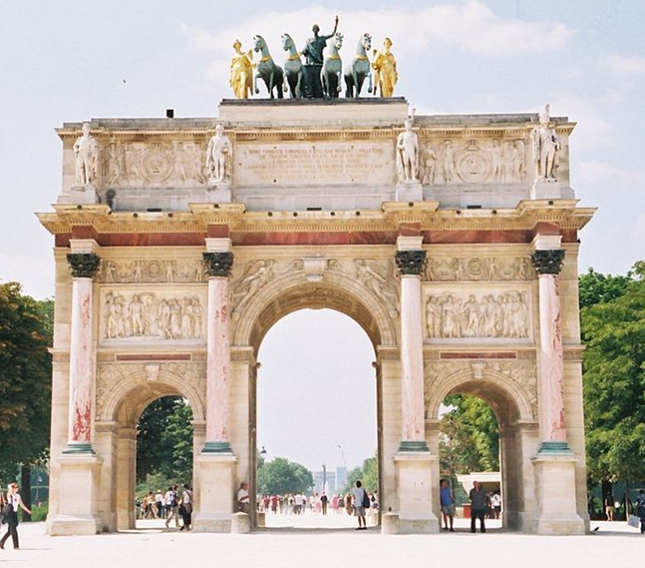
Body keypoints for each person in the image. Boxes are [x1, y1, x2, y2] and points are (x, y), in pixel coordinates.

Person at [301, 16, 339, 98]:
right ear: (312, 30)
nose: (315, 30)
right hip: (310, 64)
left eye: (316, 29)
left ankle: (323, 93)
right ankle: (309, 94)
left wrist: (336, 24)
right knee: (309, 81)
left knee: (319, 81)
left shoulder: (322, 39)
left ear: (318, 30)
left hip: (319, 63)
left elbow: (332, 34)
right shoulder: (309, 41)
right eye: (314, 29)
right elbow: (305, 48)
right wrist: (304, 51)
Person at [0, 483, 31, 550]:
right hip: (9, 513)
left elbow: (21, 504)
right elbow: (9, 487)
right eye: (15, 487)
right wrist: (11, 486)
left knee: (11, 529)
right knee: (13, 528)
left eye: (17, 487)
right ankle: (16, 545)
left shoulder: (18, 496)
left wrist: (27, 510)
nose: (17, 489)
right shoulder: (10, 495)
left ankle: (1, 542)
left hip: (14, 513)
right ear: (13, 488)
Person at [396, 117, 419, 182]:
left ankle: (413, 177)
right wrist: (401, 146)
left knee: (413, 163)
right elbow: (398, 145)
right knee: (406, 164)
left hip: (411, 149)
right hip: (405, 150)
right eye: (407, 125)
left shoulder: (414, 135)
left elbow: (416, 144)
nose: (408, 126)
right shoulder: (402, 134)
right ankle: (407, 178)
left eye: (409, 125)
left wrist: (417, 151)